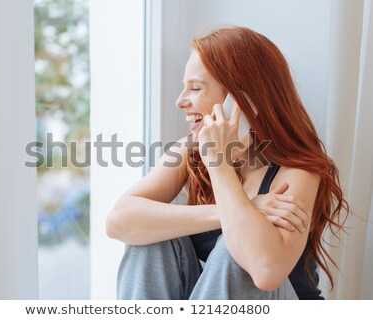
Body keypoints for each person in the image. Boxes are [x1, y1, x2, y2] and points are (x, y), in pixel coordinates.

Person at [106, 26, 349, 300]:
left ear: (241, 101)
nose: (180, 102)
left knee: (238, 246)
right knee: (151, 234)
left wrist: (219, 164)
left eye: (195, 88)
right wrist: (232, 211)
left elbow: (265, 271)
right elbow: (118, 221)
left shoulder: (298, 171)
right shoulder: (189, 152)